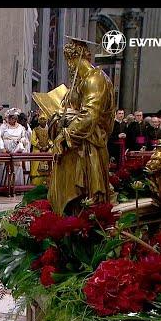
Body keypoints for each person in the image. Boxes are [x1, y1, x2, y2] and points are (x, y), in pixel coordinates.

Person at [47, 38, 114, 215]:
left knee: (83, 200)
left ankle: (79, 228)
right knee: (64, 194)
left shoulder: (94, 79)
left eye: (70, 61)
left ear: (74, 59)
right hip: (78, 146)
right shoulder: (81, 81)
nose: (69, 66)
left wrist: (66, 134)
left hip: (88, 147)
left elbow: (90, 115)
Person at [0, 108, 30, 185]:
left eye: (14, 118)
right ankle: (6, 185)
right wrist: (3, 147)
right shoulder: (4, 127)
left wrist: (21, 141)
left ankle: (17, 185)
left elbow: (24, 137)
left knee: (17, 167)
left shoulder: (20, 127)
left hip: (17, 149)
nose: (13, 120)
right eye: (11, 118)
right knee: (6, 168)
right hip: (6, 150)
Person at [29, 114, 51, 186]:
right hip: (38, 149)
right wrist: (40, 147)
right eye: (41, 119)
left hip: (48, 149)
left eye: (44, 119)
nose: (42, 120)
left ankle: (49, 180)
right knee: (36, 155)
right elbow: (32, 140)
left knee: (51, 154)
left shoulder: (50, 129)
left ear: (47, 120)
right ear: (38, 121)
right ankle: (36, 182)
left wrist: (48, 146)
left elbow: (52, 139)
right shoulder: (35, 130)